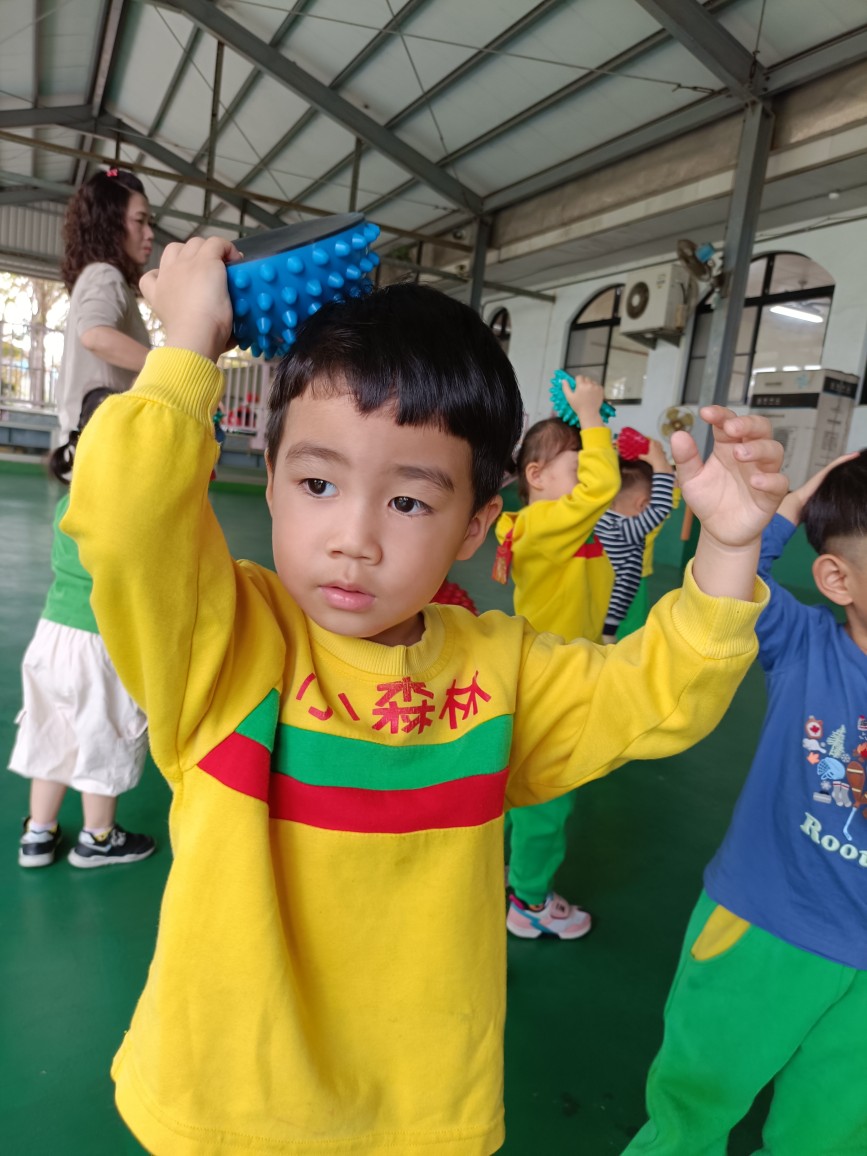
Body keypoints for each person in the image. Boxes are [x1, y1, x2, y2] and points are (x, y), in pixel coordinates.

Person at [64, 236, 785, 1156]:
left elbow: (656, 694)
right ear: (270, 479)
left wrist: (726, 549)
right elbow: (124, 518)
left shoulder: (499, 676)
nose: (354, 538)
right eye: (318, 483)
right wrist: (186, 348)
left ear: (474, 526)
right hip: (225, 1108)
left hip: (420, 1120)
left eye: (408, 502)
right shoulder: (221, 646)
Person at [625, 450, 867, 1156]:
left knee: (828, 1138)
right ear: (838, 579)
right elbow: (734, 580)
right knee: (692, 1108)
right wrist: (790, 506)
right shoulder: (805, 645)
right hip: (763, 928)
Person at [494, 380, 619, 939]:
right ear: (537, 476)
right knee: (547, 799)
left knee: (521, 788)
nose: (590, 473)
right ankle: (528, 902)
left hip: (556, 671)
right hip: (553, 685)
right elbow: (602, 486)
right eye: (578, 465)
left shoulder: (556, 528)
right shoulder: (545, 526)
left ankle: (505, 872)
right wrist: (591, 416)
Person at [11, 388, 155, 868]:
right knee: (104, 731)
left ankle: (38, 833)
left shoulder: (70, 502)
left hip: (53, 637)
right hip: (101, 643)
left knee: (53, 731)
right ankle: (98, 837)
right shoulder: (129, 509)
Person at [56, 168, 153, 441]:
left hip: (89, 442)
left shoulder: (97, 275)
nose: (149, 233)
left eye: (150, 223)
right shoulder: (105, 275)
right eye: (140, 221)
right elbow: (95, 335)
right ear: (110, 224)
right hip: (100, 443)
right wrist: (169, 367)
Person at [595, 440, 675, 644]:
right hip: (608, 622)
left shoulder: (601, 519)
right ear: (642, 504)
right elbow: (661, 507)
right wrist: (660, 463)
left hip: (597, 610)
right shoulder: (624, 528)